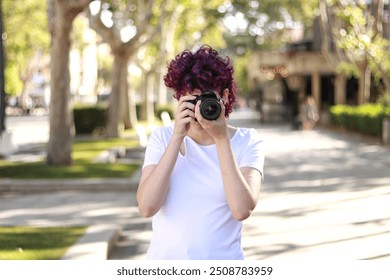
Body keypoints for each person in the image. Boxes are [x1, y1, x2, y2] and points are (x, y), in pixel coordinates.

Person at [137, 45, 265, 260]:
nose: (199, 109)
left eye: (206, 99)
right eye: (191, 100)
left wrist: (221, 138)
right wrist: (177, 137)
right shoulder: (162, 139)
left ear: (224, 96)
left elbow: (242, 209)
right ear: (179, 99)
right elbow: (147, 207)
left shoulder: (247, 141)